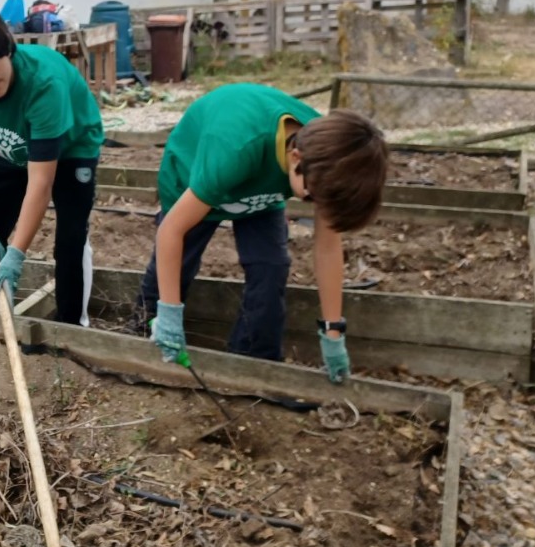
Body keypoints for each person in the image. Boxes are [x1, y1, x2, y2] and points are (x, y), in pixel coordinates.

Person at [140, 84, 387, 383]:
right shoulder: (236, 148)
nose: (315, 205)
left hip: (261, 193)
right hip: (195, 176)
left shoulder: (329, 161)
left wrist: (333, 334)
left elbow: (327, 247)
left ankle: (254, 363)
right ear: (296, 157)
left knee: (271, 266)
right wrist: (167, 315)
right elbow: (171, 231)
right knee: (178, 265)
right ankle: (144, 334)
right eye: (311, 198)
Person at [0, 4, 105, 325]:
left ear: (7, 48)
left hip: (72, 146)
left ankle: (72, 326)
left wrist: (16, 254)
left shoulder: (43, 83)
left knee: (70, 237)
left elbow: (40, 183)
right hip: (14, 146)